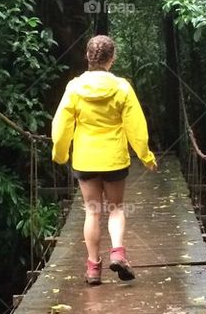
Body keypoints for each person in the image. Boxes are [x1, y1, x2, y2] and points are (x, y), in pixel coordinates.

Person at [51, 34, 157, 285]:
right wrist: (146, 156)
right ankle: (118, 252)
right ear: (112, 58)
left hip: (86, 159)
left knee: (92, 211)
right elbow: (136, 127)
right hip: (114, 159)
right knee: (116, 208)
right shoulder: (122, 88)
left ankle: (92, 269)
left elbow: (61, 126)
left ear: (88, 57)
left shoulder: (74, 88)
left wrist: (60, 153)